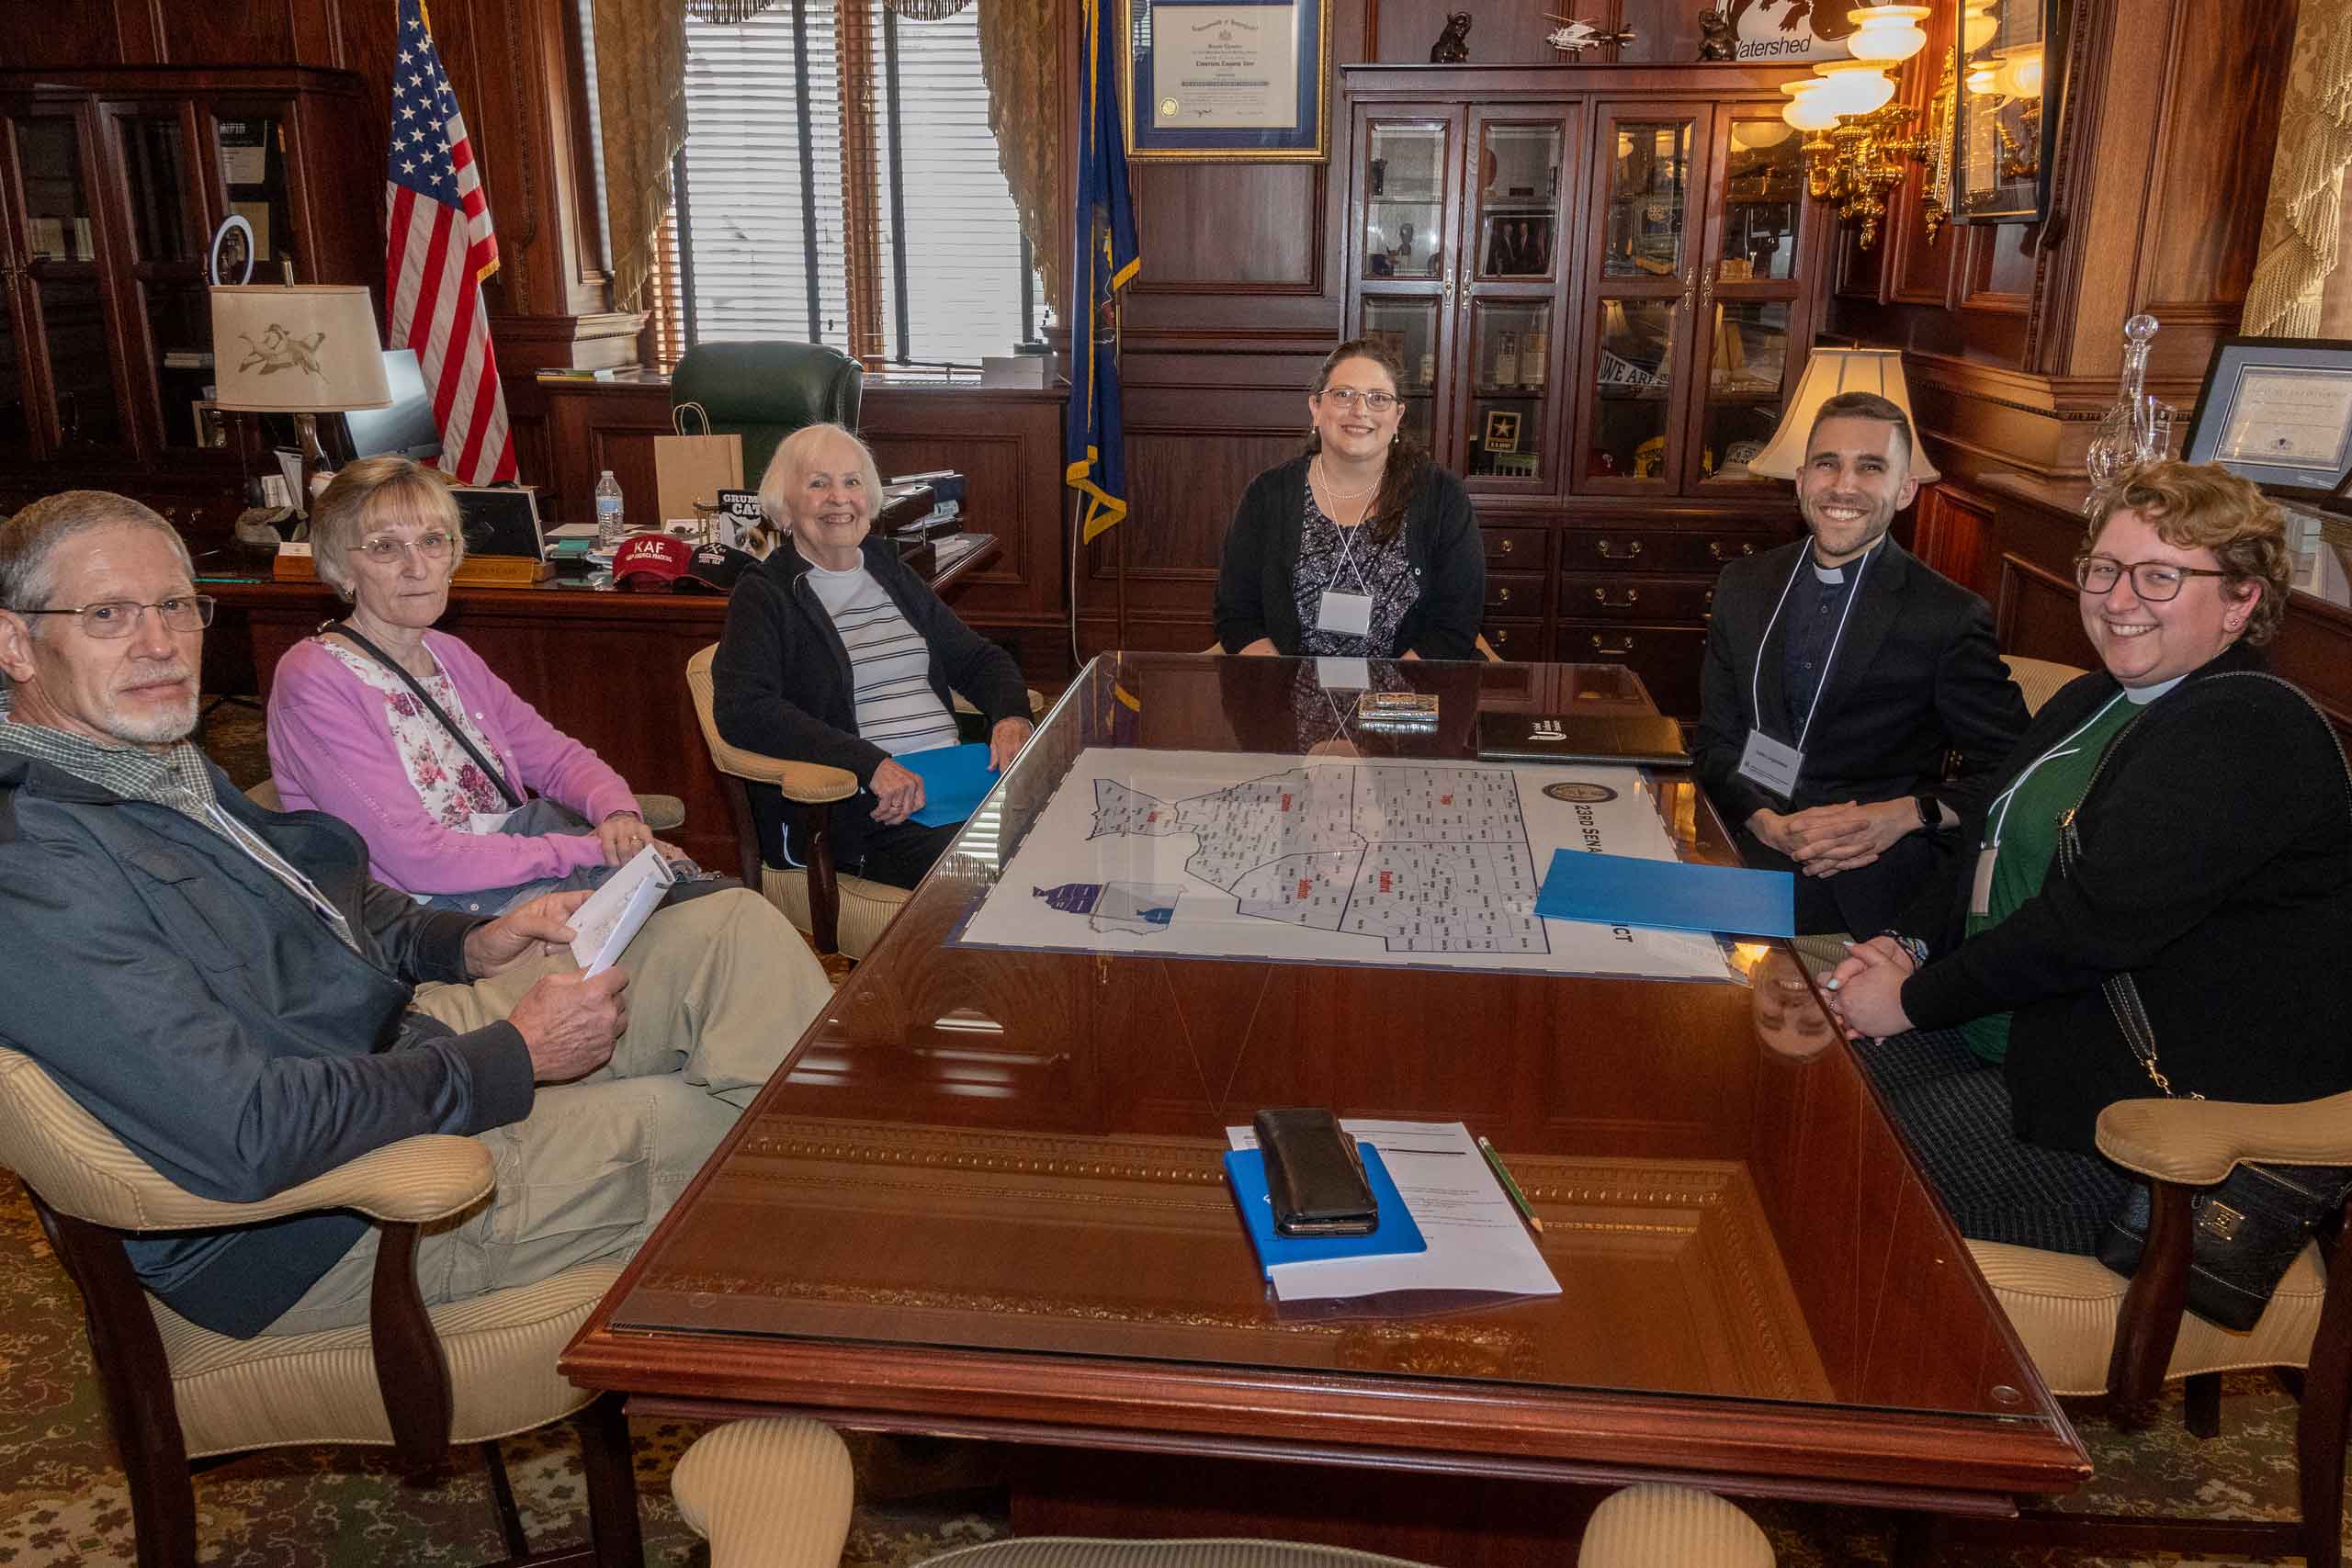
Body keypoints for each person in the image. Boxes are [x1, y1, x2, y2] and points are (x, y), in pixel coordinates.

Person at [0, 490, 833, 1338]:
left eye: (176, 606)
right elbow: (246, 1126)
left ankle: (842, 1290)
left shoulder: (147, 760)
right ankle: (865, 1342)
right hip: (320, 1220)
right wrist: (511, 1057)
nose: (159, 643)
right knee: (754, 1139)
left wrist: (473, 941)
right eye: (106, 614)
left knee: (730, 930)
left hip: (387, 1041)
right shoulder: (35, 863)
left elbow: (329, 895)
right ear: (15, 642)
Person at [1824, 460, 2352, 1253]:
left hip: (2136, 1120)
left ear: (2242, 600)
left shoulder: (2246, 730)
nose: (2118, 599)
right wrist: (1907, 943)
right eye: (2103, 569)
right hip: (2017, 1035)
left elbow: (2087, 929)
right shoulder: (2097, 696)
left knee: (1840, 1169)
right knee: (1802, 1085)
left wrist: (1910, 999)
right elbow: (1983, 838)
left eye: (2160, 576)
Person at [266, 457, 686, 915]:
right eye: (385, 548)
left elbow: (557, 758)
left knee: (716, 911)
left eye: (431, 541)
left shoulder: (449, 654)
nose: (417, 566)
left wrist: (616, 814)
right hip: (434, 920)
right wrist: (586, 850)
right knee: (700, 928)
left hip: (516, 878)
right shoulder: (314, 679)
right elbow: (417, 860)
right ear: (340, 567)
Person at [1693, 389, 2027, 934]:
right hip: (1750, 835)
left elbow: (2019, 771)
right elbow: (1715, 741)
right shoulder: (1743, 585)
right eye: (1828, 464)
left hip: (1862, 873)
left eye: (1870, 468)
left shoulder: (1946, 616)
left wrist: (1902, 816)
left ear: (1904, 491)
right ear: (1801, 480)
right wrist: (1765, 820)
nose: (1844, 486)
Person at [711, 422, 1032, 889]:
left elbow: (979, 660)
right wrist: (869, 764)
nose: (839, 498)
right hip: (869, 813)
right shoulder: (766, 594)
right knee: (999, 869)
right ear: (784, 508)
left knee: (1070, 834)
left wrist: (1010, 719)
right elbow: (744, 709)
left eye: (852, 482)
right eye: (818, 483)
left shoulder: (888, 570)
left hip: (954, 784)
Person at [1214, 338, 1485, 661]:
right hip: (1287, 697)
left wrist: (1387, 704)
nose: (1360, 411)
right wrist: (1282, 694)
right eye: (1343, 395)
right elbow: (1237, 615)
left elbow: (1454, 624)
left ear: (1398, 416)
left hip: (1406, 695)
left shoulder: (1442, 497)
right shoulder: (1267, 495)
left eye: (1378, 398)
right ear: (1316, 407)